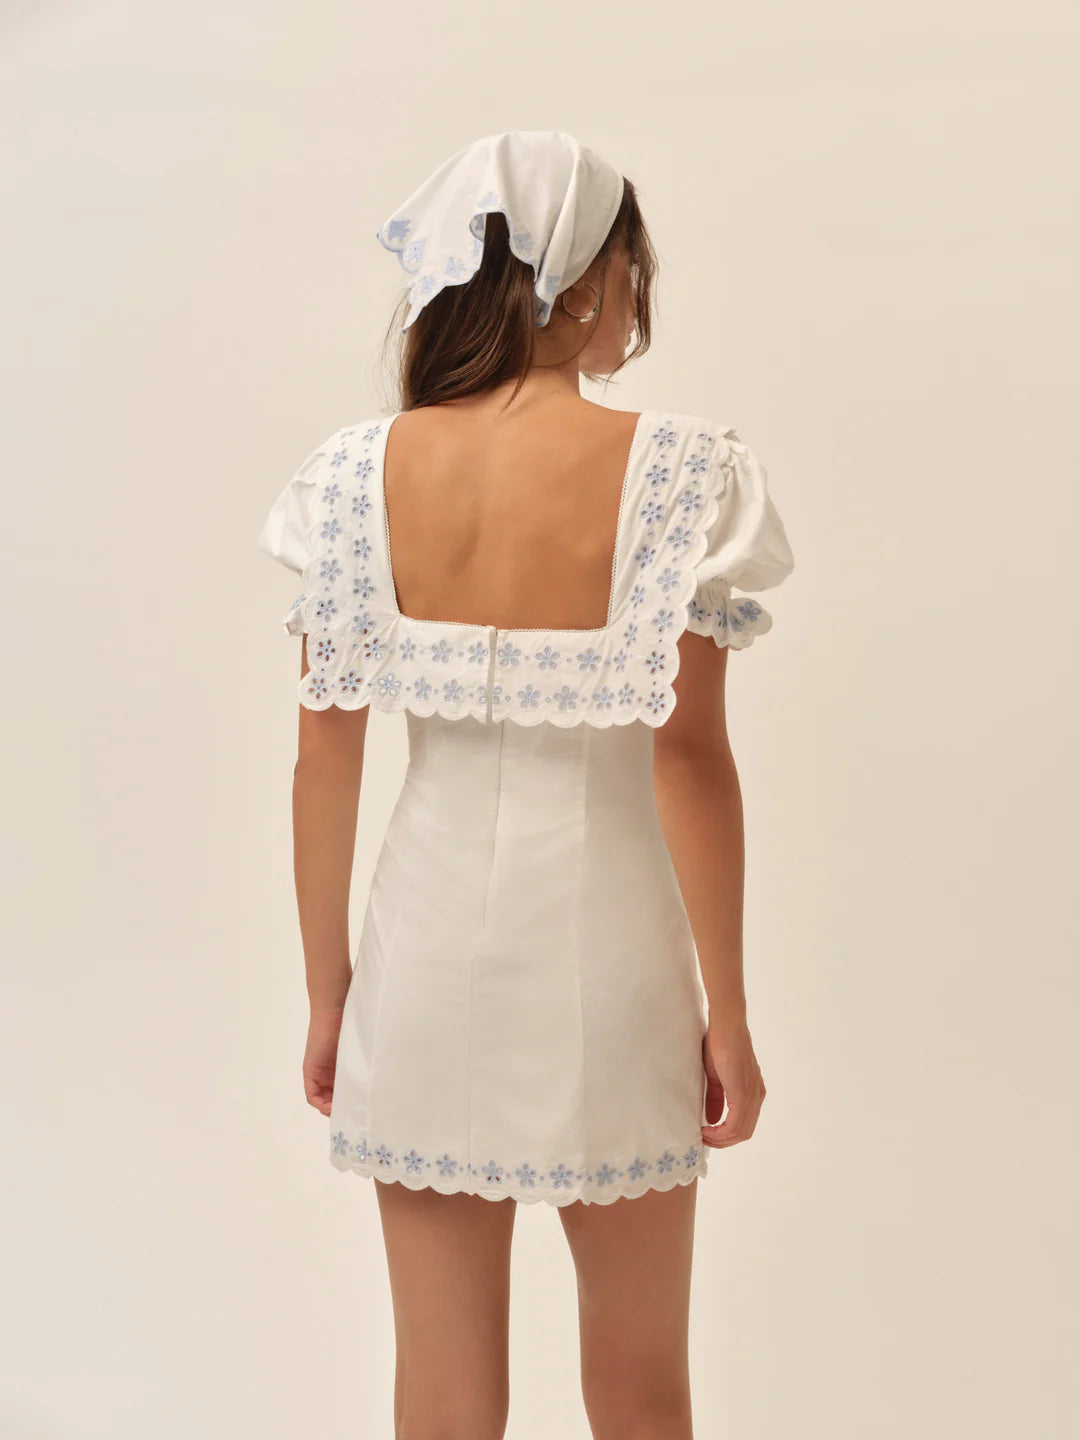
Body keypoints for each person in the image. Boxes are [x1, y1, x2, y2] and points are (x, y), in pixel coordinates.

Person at [257, 130, 794, 1440]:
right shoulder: (685, 472)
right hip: (612, 959)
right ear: (591, 278)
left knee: (440, 1398)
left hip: (423, 958)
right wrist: (728, 1013)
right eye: (634, 273)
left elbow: (323, 761)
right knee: (642, 1387)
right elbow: (688, 757)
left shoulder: (353, 477)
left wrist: (329, 993)